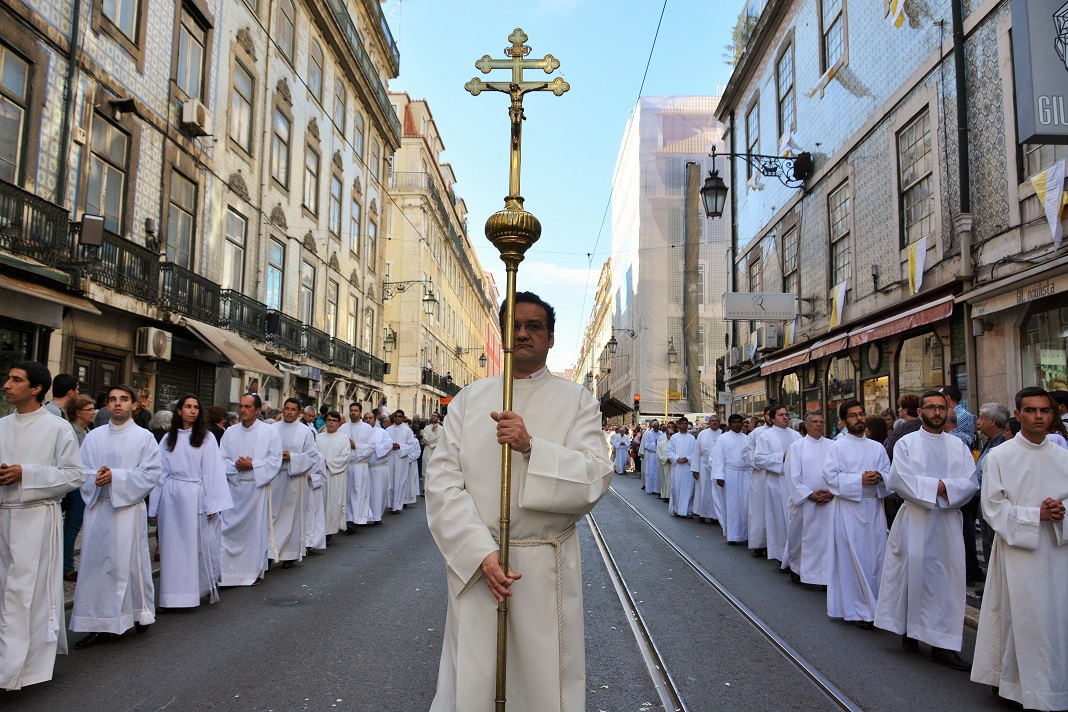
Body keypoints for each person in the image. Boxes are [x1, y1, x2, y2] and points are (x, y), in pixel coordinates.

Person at [425, 292, 613, 711]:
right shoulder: (470, 399)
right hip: (480, 567)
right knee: (475, 677)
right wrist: (481, 553)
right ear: (503, 333)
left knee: (543, 682)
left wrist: (531, 447)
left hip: (545, 567)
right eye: (515, 325)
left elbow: (595, 476)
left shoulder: (579, 402)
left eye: (535, 326)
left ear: (550, 338)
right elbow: (441, 483)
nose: (524, 333)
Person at [971, 387, 1068, 710]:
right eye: (1031, 410)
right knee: (1020, 620)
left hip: (1056, 552)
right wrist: (1034, 515)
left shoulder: (1064, 457)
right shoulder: (1000, 456)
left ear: (1052, 415)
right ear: (1018, 414)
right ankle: (1012, 684)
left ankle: (1051, 685)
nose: (1038, 416)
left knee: (1053, 621)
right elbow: (992, 508)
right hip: (1017, 551)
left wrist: (1060, 514)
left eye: (1044, 411)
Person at [873, 390, 978, 671]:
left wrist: (944, 488)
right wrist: (941, 487)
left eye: (941, 408)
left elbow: (970, 480)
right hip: (916, 519)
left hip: (947, 521)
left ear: (948, 412)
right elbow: (899, 480)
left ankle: (943, 645)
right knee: (914, 577)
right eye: (930, 407)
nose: (936, 412)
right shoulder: (907, 443)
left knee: (947, 580)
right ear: (920, 412)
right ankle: (910, 628)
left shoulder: (958, 446)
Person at [0, 361, 84, 690]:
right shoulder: (2, 425)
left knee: (24, 595)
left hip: (35, 517)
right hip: (4, 516)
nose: (7, 384)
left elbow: (74, 475)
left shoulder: (57, 428)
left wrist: (27, 473)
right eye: (8, 378)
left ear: (36, 389)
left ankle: (18, 668)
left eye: (15, 380)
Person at [71, 385, 163, 649]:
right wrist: (95, 478)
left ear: (134, 405)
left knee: (128, 565)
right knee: (96, 567)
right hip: (98, 510)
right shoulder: (93, 437)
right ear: (106, 405)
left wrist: (116, 477)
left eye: (124, 399)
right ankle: (96, 622)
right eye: (112, 400)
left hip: (127, 511)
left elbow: (151, 473)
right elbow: (80, 471)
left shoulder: (144, 437)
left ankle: (139, 612)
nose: (118, 404)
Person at [150, 395, 232, 608]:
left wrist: (213, 503)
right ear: (179, 411)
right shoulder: (169, 438)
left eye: (196, 407)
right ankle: (171, 597)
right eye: (188, 407)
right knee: (171, 548)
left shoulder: (206, 438)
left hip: (196, 497)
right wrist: (155, 505)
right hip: (171, 498)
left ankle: (197, 589)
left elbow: (213, 470)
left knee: (195, 546)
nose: (192, 411)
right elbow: (160, 472)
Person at [823, 400, 891, 628]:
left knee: (875, 559)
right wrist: (859, 479)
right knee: (853, 559)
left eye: (861, 414)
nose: (859, 419)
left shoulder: (877, 447)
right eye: (853, 416)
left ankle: (876, 607)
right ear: (843, 421)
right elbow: (830, 478)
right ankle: (857, 609)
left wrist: (881, 478)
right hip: (849, 509)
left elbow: (890, 476)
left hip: (873, 509)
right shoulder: (837, 447)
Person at [219, 394, 282, 586]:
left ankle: (250, 573)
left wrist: (252, 465)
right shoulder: (230, 432)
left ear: (257, 410)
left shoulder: (270, 432)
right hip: (234, 488)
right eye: (241, 406)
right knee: (227, 532)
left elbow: (275, 460)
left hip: (256, 490)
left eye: (248, 407)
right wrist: (236, 466)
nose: (243, 410)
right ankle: (226, 573)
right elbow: (221, 458)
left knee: (253, 534)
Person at [782, 409, 834, 586]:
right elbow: (792, 476)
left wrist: (832, 492)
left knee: (825, 540)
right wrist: (808, 494)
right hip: (805, 502)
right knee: (801, 538)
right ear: (806, 425)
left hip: (828, 500)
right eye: (814, 421)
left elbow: (837, 472)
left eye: (821, 421)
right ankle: (798, 568)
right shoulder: (797, 447)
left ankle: (824, 574)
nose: (818, 424)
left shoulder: (833, 446)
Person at [271, 398, 318, 567]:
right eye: (286, 408)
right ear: (282, 410)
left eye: (293, 409)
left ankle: (289, 553)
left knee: (292, 516)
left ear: (299, 413)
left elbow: (312, 456)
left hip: (295, 479)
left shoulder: (305, 432)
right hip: (274, 477)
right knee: (273, 515)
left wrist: (292, 457)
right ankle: (270, 551)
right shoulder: (272, 429)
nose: (289, 412)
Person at [753, 405, 802, 563]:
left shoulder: (796, 436)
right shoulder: (765, 436)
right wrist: (782, 456)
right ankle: (781, 554)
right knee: (780, 519)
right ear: (772, 418)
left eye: (786, 414)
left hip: (794, 483)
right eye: (780, 415)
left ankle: (795, 554)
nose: (785, 417)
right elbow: (759, 460)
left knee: (794, 519)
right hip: (776, 483)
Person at [62, 396, 95, 582]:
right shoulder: (71, 431)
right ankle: (66, 567)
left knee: (75, 524)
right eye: (89, 409)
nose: (93, 412)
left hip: (84, 481)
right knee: (72, 525)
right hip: (75, 483)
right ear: (78, 412)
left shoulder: (87, 430)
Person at [973, 403, 1009, 563]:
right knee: (987, 541)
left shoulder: (1003, 444)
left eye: (981, 418)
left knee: (994, 542)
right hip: (983, 499)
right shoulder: (989, 441)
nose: (978, 422)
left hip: (995, 500)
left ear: (992, 421)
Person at [708, 414, 751, 544]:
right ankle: (732, 535)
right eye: (734, 422)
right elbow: (718, 458)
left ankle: (746, 534)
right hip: (730, 475)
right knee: (731, 506)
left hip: (745, 474)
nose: (737, 425)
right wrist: (719, 476)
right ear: (730, 424)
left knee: (745, 505)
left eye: (739, 422)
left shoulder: (747, 438)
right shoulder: (723, 438)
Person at [744, 405, 775, 558]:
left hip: (778, 476)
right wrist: (759, 462)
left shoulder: (786, 433)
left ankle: (775, 544)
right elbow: (747, 452)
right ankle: (759, 542)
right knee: (759, 510)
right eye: (768, 414)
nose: (770, 417)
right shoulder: (757, 433)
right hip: (760, 475)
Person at [316, 411, 351, 538]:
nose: (331, 423)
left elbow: (345, 457)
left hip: (335, 476)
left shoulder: (343, 438)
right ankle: (318, 531)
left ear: (339, 423)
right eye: (329, 420)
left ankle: (329, 532)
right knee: (319, 503)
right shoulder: (318, 438)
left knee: (332, 504)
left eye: (334, 421)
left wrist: (328, 463)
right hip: (319, 475)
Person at [692, 415, 722, 524]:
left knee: (716, 491)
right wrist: (695, 469)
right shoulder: (702, 434)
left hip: (717, 466)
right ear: (709, 423)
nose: (714, 423)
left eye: (716, 421)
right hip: (703, 466)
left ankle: (715, 515)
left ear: (719, 422)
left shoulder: (722, 434)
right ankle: (702, 513)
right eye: (712, 421)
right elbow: (696, 452)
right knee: (703, 490)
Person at [386, 410, 418, 513]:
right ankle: (391, 503)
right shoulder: (388, 429)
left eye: (400, 416)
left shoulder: (407, 430)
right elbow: (384, 443)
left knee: (400, 481)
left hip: (401, 457)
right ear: (393, 417)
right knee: (390, 481)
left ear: (403, 418)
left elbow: (412, 444)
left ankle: (398, 505)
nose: (398, 418)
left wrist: (400, 446)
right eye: (396, 416)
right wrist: (391, 446)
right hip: (391, 457)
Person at [365, 409, 393, 524]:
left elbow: (388, 444)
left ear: (375, 420)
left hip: (378, 468)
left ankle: (377, 516)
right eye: (366, 418)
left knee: (378, 493)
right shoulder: (360, 432)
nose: (368, 420)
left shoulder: (382, 432)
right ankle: (363, 517)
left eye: (370, 418)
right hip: (364, 468)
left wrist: (374, 448)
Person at [666, 417, 696, 517]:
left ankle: (688, 510)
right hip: (678, 467)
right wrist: (677, 458)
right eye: (682, 423)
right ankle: (676, 509)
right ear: (678, 425)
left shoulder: (692, 438)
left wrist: (687, 458)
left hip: (688, 467)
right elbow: (669, 451)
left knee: (688, 489)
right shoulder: (674, 437)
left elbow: (695, 453)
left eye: (685, 423)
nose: (684, 425)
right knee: (676, 488)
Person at [883, 393, 922, 462]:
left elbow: (889, 450)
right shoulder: (921, 425)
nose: (898, 409)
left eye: (900, 407)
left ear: (905, 410)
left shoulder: (902, 428)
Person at [642, 421, 664, 494]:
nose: (656, 428)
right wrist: (655, 443)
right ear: (652, 426)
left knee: (658, 472)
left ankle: (657, 489)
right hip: (652, 455)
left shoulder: (661, 434)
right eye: (654, 427)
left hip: (659, 455)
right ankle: (651, 488)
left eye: (657, 427)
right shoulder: (648, 434)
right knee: (651, 472)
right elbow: (646, 445)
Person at [421, 412, 443, 486]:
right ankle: (425, 487)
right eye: (432, 415)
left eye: (435, 416)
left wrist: (432, 441)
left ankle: (435, 487)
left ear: (438, 418)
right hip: (427, 450)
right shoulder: (427, 428)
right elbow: (426, 439)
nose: (433, 417)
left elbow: (440, 440)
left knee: (436, 469)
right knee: (426, 469)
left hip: (437, 450)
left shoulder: (441, 429)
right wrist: (433, 431)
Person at [657, 421, 675, 499]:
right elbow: (658, 454)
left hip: (673, 464)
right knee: (665, 480)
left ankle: (671, 496)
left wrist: (673, 459)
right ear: (667, 435)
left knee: (671, 480)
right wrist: (665, 460)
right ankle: (665, 495)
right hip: (664, 465)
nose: (671, 436)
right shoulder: (661, 443)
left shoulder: (675, 443)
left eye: (673, 434)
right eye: (670, 434)